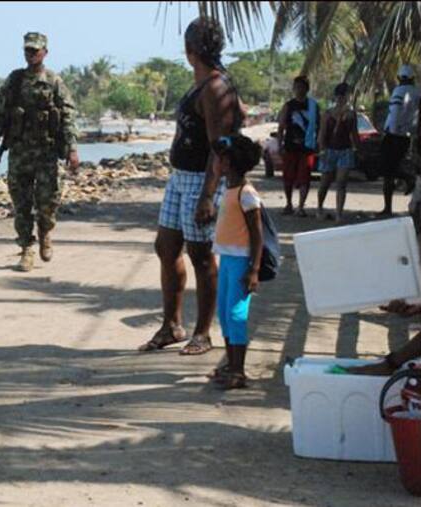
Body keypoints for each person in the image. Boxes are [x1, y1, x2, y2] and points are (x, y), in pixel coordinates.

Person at [139, 17, 243, 356]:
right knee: (166, 248)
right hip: (180, 177)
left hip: (201, 180)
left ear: (189, 50)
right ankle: (172, 325)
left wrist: (208, 196)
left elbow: (219, 147)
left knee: (201, 256)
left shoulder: (215, 87)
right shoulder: (201, 83)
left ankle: (202, 333)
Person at [0, 32, 79, 272]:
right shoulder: (14, 80)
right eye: (27, 50)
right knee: (21, 204)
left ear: (45, 53)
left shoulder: (54, 82)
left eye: (35, 51)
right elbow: (1, 114)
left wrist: (72, 149)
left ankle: (45, 231)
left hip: (47, 152)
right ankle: (26, 248)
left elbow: (68, 116)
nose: (31, 54)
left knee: (48, 202)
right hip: (20, 151)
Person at [207, 134, 263, 389]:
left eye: (218, 159)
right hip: (227, 259)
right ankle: (231, 364)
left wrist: (254, 269)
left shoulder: (246, 193)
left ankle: (238, 371)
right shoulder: (228, 189)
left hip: (241, 261)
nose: (214, 164)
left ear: (228, 163)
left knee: (236, 314)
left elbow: (257, 235)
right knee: (224, 313)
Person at [378, 64, 419, 217]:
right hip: (407, 135)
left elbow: (394, 114)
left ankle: (407, 179)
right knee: (390, 170)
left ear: (399, 78)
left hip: (393, 135)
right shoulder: (418, 92)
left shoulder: (399, 91)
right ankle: (406, 180)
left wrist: (390, 131)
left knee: (386, 171)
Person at [316, 82, 359, 224]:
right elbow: (322, 134)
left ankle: (339, 213)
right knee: (325, 183)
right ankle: (320, 208)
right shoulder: (328, 114)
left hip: (345, 150)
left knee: (341, 183)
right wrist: (322, 150)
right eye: (340, 96)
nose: (342, 99)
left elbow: (354, 134)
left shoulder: (351, 115)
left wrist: (358, 149)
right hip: (329, 150)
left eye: (344, 96)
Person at [277, 75, 320, 217]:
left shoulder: (313, 106)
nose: (299, 90)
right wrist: (279, 145)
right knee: (288, 178)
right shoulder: (288, 106)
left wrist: (318, 143)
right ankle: (289, 204)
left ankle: (301, 206)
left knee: (305, 178)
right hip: (290, 147)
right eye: (296, 87)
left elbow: (319, 127)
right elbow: (281, 127)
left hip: (307, 148)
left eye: (301, 87)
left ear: (307, 89)